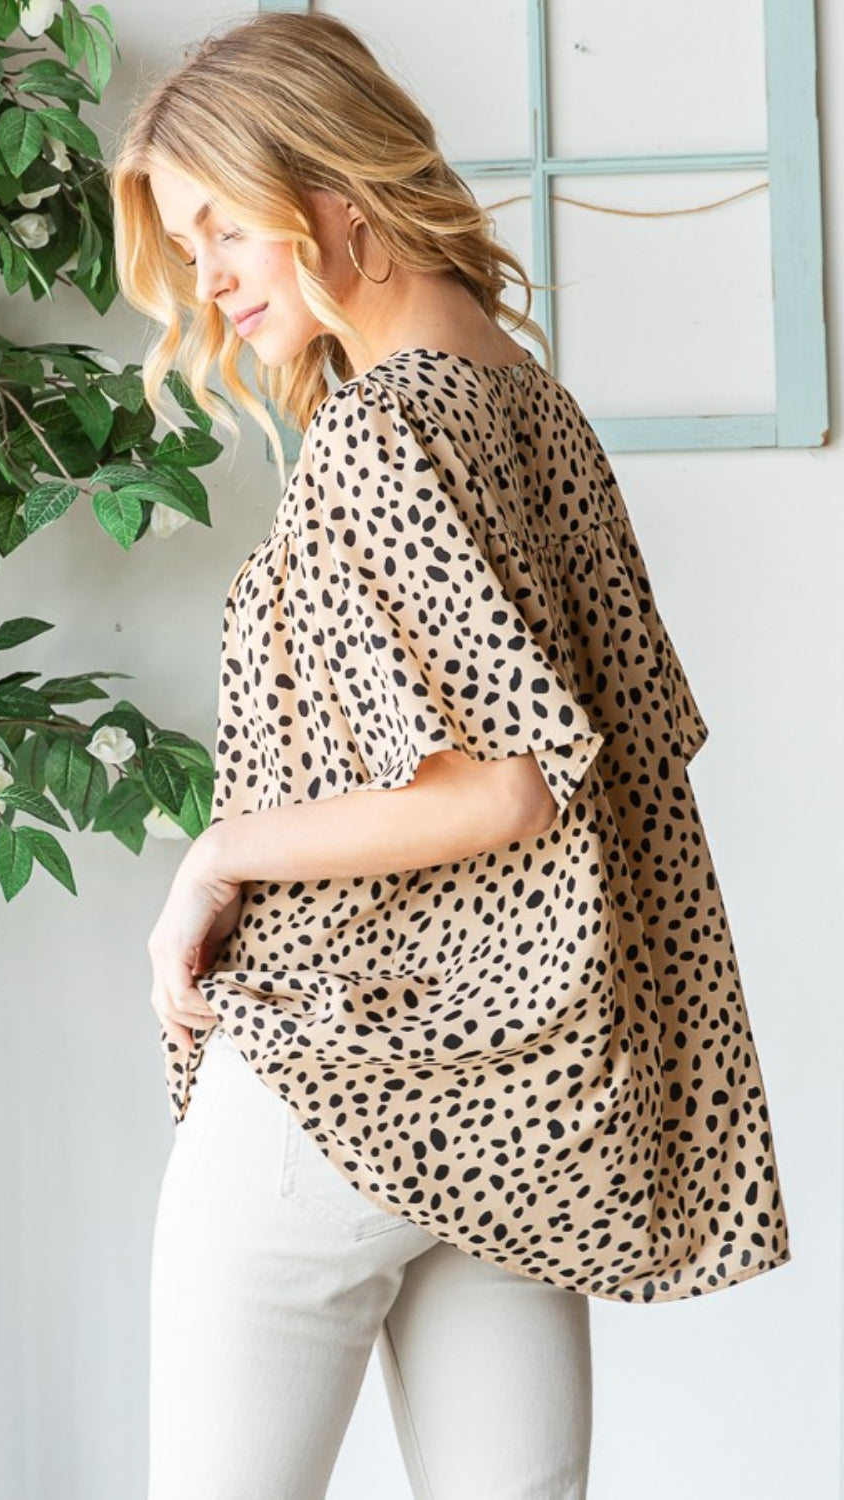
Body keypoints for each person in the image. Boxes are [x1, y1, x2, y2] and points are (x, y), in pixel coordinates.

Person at [110, 13, 792, 1499]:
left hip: (338, 1070)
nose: (209, 280)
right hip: (512, 1087)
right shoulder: (526, 400)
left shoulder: (383, 429)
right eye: (189, 241)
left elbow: (509, 781)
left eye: (225, 224)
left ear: (332, 190)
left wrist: (214, 857)